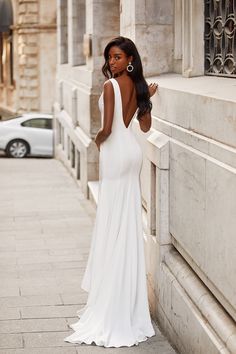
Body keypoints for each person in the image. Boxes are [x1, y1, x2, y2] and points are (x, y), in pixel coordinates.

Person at [64, 36, 158, 348]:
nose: (112, 62)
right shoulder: (140, 85)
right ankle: (126, 305)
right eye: (110, 57)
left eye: (117, 57)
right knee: (126, 225)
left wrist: (98, 140)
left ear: (130, 57)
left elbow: (106, 128)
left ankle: (114, 307)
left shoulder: (110, 86)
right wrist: (147, 99)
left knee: (113, 225)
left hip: (116, 155)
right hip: (131, 153)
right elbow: (143, 127)